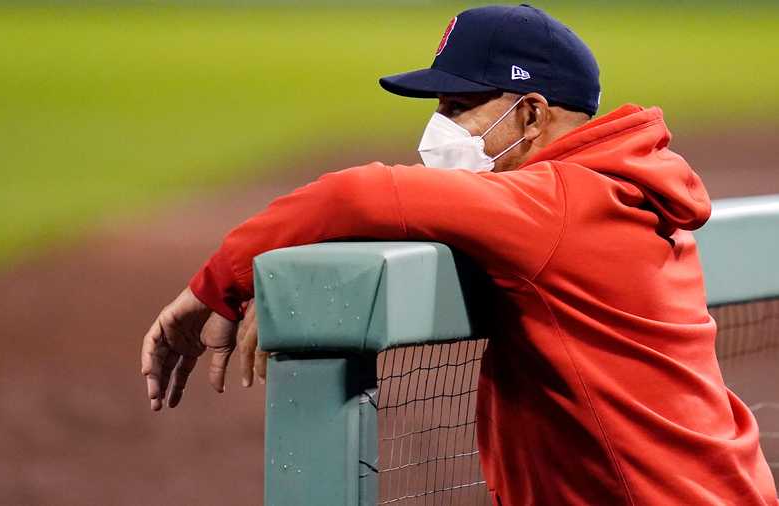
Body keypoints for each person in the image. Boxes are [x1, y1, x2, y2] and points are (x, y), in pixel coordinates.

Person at [139, 4, 778, 505]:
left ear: (531, 115)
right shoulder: (615, 189)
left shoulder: (555, 205)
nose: (438, 128)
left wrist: (212, 288)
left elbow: (359, 195)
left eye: (460, 107)